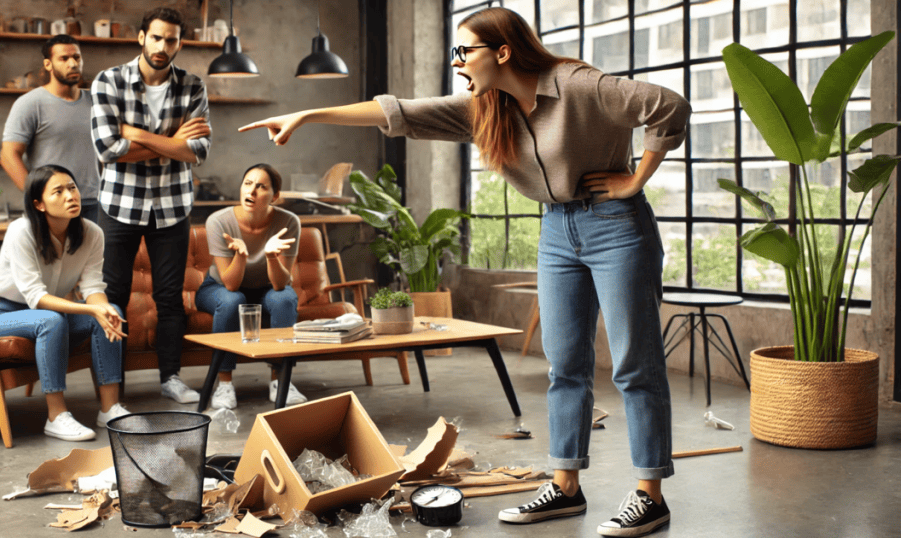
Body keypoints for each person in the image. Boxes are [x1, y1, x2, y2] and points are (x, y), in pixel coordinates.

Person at [239, 7, 689, 537]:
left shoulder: (576, 84)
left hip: (615, 225)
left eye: (463, 51)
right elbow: (398, 111)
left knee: (634, 364)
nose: (456, 62)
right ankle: (566, 486)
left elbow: (668, 106)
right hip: (556, 231)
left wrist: (636, 179)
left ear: (502, 52)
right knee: (565, 365)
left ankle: (649, 495)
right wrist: (308, 116)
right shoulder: (484, 107)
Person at [91, 7, 211, 405]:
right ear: (141, 37)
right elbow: (108, 148)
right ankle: (113, 388)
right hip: (118, 205)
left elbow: (197, 151)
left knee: (170, 297)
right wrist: (171, 140)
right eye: (156, 37)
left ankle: (170, 378)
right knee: (113, 297)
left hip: (172, 206)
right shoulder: (108, 81)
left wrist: (138, 134)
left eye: (171, 39)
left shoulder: (192, 87)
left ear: (180, 43)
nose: (163, 46)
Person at [0, 165, 129, 442]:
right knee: (52, 319)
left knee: (111, 311)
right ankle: (56, 416)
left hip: (46, 313)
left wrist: (101, 308)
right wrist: (90, 309)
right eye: (57, 192)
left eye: (72, 188)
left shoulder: (92, 233)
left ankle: (110, 409)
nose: (70, 196)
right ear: (39, 204)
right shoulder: (21, 231)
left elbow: (93, 287)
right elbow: (36, 297)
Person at [195, 164, 306, 410]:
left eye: (261, 186)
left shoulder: (289, 222)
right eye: (247, 183)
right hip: (218, 288)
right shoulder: (219, 222)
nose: (252, 191)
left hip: (267, 288)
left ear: (275, 197)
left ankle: (280, 381)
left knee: (285, 299)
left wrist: (270, 257)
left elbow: (280, 284)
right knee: (233, 300)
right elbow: (231, 284)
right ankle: (224, 384)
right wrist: (242, 257)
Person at [1, 34, 102, 222]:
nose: (72, 63)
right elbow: (8, 156)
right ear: (48, 64)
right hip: (52, 204)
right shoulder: (30, 103)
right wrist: (37, 197)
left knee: (94, 253)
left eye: (77, 57)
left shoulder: (96, 102)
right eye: (64, 58)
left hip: (93, 204)